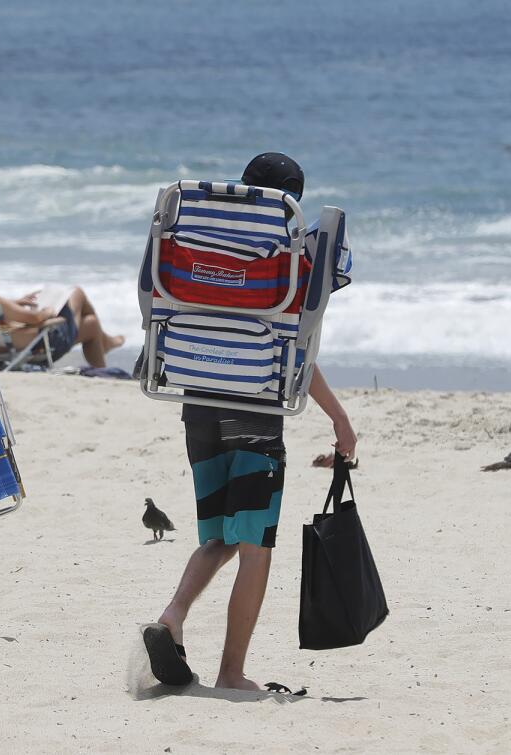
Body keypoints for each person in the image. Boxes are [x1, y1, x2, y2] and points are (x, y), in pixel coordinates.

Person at [141, 152, 358, 691]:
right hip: (255, 411)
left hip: (197, 399)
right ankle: (231, 673)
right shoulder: (283, 258)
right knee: (255, 542)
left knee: (221, 535)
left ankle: (172, 615)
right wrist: (341, 421)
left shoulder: (195, 245)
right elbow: (297, 349)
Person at [0, 248, 124, 367]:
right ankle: (106, 343)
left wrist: (16, 303)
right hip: (43, 345)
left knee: (91, 324)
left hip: (1, 347)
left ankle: (102, 369)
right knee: (76, 292)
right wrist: (48, 311)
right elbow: (34, 318)